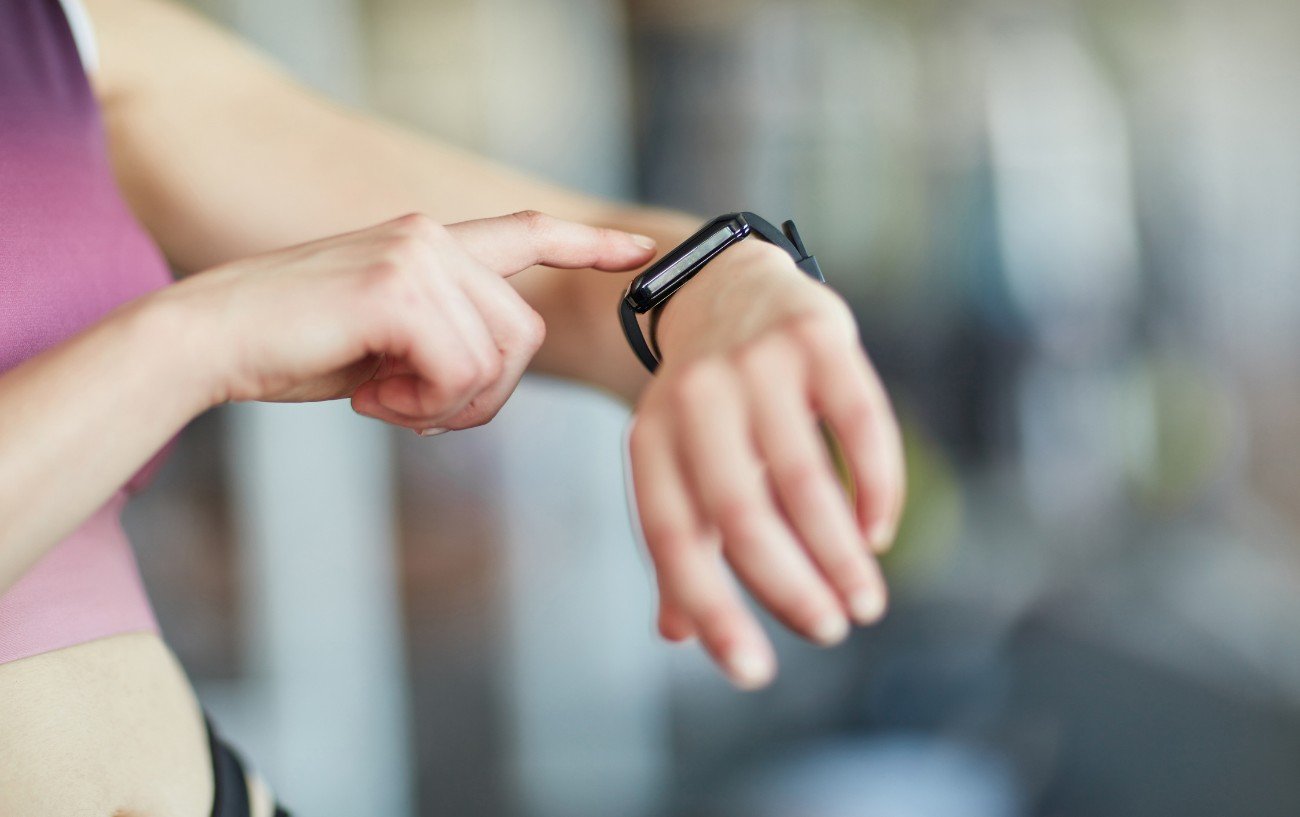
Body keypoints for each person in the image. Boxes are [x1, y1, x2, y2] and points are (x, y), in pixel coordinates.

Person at [0, 0, 906, 814]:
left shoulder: (64, 33)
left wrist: (730, 284)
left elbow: (556, 270)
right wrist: (190, 341)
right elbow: (213, 331)